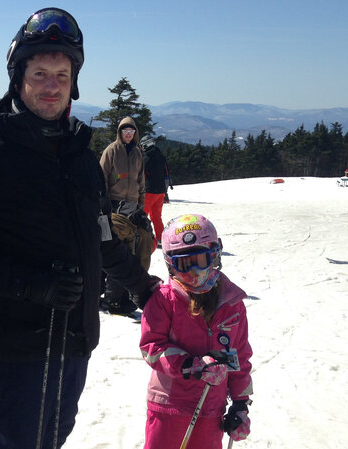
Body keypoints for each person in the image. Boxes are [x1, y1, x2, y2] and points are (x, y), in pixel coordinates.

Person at [0, 8, 157, 449]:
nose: (51, 85)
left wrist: (146, 288)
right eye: (40, 73)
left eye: (61, 73)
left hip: (73, 341)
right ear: (18, 78)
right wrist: (30, 284)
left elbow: (101, 237)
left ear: (74, 81)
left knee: (51, 439)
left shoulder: (78, 155)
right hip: (13, 347)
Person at [140, 214, 253, 449]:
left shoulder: (232, 304)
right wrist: (190, 365)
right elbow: (152, 347)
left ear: (215, 255)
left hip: (211, 409)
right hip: (170, 406)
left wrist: (241, 405)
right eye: (183, 264)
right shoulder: (164, 299)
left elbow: (239, 357)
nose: (193, 271)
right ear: (171, 265)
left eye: (200, 260)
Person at [99, 117, 149, 315]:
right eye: (124, 131)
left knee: (141, 246)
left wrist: (141, 205)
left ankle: (129, 292)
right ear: (119, 132)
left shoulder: (137, 153)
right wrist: (103, 205)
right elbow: (100, 177)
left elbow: (140, 181)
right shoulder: (111, 151)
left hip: (132, 206)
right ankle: (113, 297)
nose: (128, 134)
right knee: (119, 250)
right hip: (114, 206)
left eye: (131, 131)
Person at [141, 135, 171, 243]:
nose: (142, 148)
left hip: (149, 192)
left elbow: (142, 176)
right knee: (156, 216)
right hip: (161, 192)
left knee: (142, 216)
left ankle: (143, 239)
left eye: (143, 146)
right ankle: (160, 238)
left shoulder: (146, 158)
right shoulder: (160, 156)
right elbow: (166, 174)